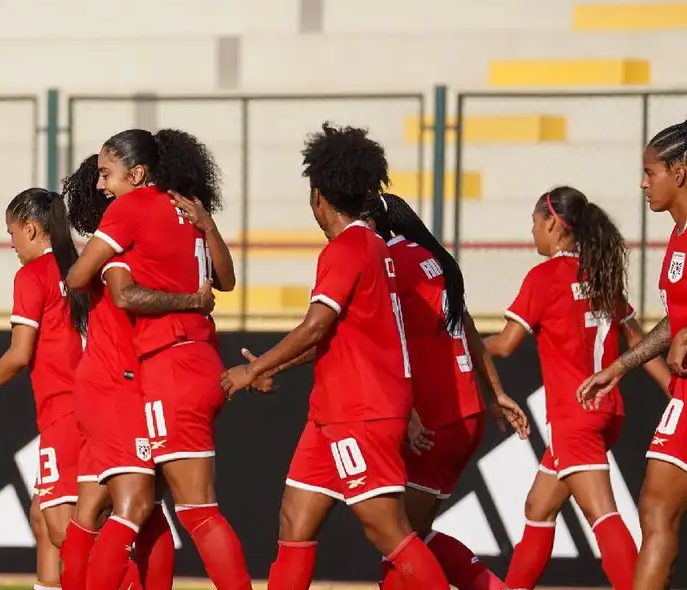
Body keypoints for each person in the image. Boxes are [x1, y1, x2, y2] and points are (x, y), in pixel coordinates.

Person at [252, 192, 528, 589]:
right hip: (465, 413)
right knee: (413, 537)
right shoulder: (428, 257)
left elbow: (338, 332)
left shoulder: (383, 258)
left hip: (431, 417)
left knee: (398, 546)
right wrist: (496, 392)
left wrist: (264, 365)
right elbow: (463, 323)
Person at [221, 123, 451, 589]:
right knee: (294, 522)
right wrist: (277, 365)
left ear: (319, 196)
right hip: (331, 413)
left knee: (387, 529)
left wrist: (254, 368)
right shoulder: (373, 246)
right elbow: (339, 338)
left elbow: (315, 326)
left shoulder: (348, 248)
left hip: (358, 411)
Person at [66, 129, 251, 590]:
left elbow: (82, 276)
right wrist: (207, 231)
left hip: (165, 367)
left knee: (182, 511)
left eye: (106, 173)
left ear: (138, 171)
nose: (101, 186)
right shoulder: (187, 212)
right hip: (201, 362)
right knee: (152, 510)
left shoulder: (129, 214)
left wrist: (187, 299)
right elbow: (225, 283)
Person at [485, 187, 670, 590]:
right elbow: (638, 341)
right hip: (608, 413)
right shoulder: (599, 272)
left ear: (551, 223)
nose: (533, 230)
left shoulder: (543, 277)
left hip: (575, 415)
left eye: (535, 222)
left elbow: (505, 343)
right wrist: (672, 386)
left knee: (602, 515)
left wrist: (460, 346)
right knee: (539, 506)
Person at [0, 188, 90, 577]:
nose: (10, 241)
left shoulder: (33, 275)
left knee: (64, 527)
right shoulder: (80, 267)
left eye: (11, 231)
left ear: (30, 229)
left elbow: (19, 354)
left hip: (64, 410)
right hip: (96, 404)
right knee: (43, 517)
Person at [578, 121, 687, 589]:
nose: (643, 183)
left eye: (650, 171)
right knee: (656, 507)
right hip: (682, 393)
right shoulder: (679, 236)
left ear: (679, 172)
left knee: (657, 508)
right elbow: (674, 321)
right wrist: (621, 367)